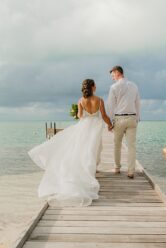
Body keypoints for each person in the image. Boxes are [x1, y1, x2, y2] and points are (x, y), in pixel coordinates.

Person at [28, 79, 113, 207]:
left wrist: (79, 113)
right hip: (95, 127)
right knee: (92, 150)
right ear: (93, 87)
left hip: (84, 126)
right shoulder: (99, 100)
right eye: (95, 85)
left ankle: (85, 173)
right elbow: (104, 115)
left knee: (82, 149)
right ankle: (90, 173)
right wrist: (110, 125)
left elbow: (80, 116)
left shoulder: (80, 100)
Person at [106, 66, 141, 179]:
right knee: (132, 146)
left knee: (117, 145)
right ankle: (131, 171)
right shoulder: (134, 85)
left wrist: (110, 122)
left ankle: (117, 168)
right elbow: (137, 103)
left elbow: (111, 106)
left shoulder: (114, 87)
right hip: (132, 118)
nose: (112, 78)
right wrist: (137, 118)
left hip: (119, 119)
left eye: (112, 75)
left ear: (117, 73)